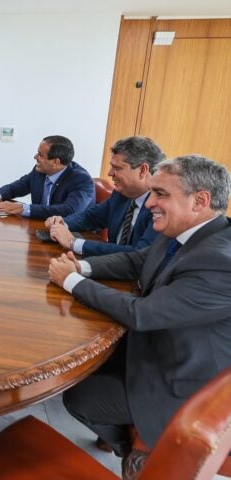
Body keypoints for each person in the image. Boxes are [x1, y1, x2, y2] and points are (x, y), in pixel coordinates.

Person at [47, 155, 231, 472]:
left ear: (200, 201)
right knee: (77, 363)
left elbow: (142, 314)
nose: (149, 204)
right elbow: (137, 261)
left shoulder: (220, 260)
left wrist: (71, 281)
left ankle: (144, 457)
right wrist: (82, 267)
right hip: (158, 348)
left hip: (184, 383)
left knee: (80, 396)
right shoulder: (188, 232)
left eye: (161, 194)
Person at [45, 136, 163, 257]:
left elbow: (137, 254)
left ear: (143, 170)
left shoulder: (160, 207)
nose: (110, 173)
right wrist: (62, 223)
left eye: (117, 168)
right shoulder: (121, 194)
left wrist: (74, 243)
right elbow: (91, 217)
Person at [0, 135, 94, 219]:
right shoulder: (40, 171)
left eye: (40, 155)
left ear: (56, 162)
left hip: (73, 234)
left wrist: (22, 208)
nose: (35, 157)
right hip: (41, 227)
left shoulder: (81, 180)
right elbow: (17, 186)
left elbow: (69, 210)